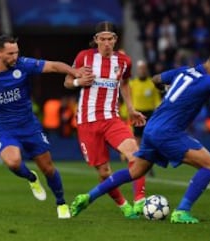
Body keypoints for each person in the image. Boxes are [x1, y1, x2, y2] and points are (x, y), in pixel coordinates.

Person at [69, 52, 210, 223]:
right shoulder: (207, 80)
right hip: (168, 133)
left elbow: (156, 78)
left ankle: (87, 197)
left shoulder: (184, 71)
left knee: (135, 171)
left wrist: (164, 91)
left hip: (151, 127)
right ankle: (182, 211)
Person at [0, 35, 88, 219]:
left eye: (17, 52)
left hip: (29, 125)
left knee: (48, 168)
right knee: (13, 162)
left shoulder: (23, 64)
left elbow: (53, 66)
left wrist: (74, 71)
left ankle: (61, 202)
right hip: (4, 127)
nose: (15, 56)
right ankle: (31, 178)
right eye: (11, 53)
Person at [64, 21, 147, 219]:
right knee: (104, 172)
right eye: (102, 39)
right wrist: (77, 81)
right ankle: (124, 206)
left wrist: (131, 108)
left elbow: (125, 83)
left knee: (137, 155)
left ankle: (139, 200)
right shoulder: (84, 57)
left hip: (112, 119)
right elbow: (67, 82)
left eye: (110, 39)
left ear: (115, 40)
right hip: (87, 121)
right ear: (96, 40)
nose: (107, 43)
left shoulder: (124, 61)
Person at [129, 59, 161, 176]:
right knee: (137, 140)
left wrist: (158, 110)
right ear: (138, 70)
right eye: (140, 68)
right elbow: (129, 100)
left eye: (144, 68)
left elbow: (157, 100)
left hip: (149, 114)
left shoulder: (151, 83)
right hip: (137, 113)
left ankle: (149, 165)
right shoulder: (132, 84)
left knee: (149, 140)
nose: (142, 70)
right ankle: (139, 164)